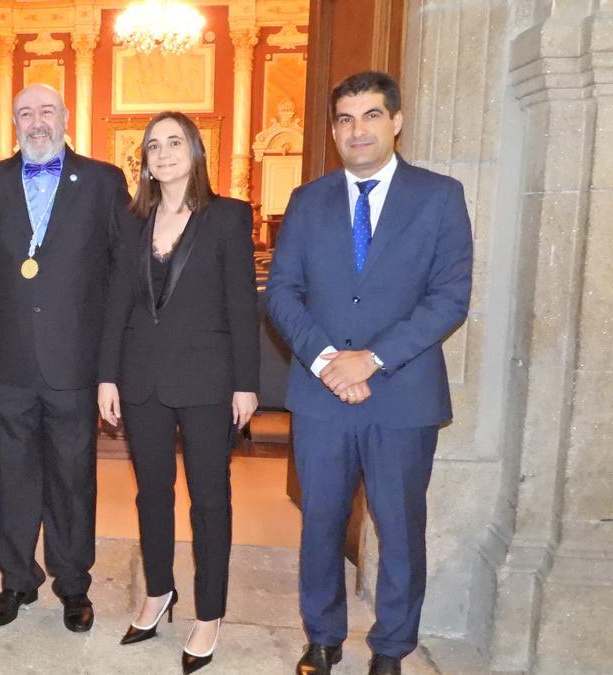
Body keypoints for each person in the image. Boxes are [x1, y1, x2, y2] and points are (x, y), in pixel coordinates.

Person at [266, 71, 473, 675]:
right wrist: (330, 361)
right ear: (334, 131)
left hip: (402, 397)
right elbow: (282, 293)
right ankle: (323, 638)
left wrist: (372, 359)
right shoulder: (307, 201)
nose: (358, 130)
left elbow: (449, 296)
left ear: (396, 121)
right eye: (346, 119)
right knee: (321, 523)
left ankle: (390, 649)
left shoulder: (439, 196)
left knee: (401, 529)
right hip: (321, 397)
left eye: (371, 116)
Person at [0, 84, 130, 632]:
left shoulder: (104, 182)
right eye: (25, 113)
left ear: (65, 117)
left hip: (74, 363)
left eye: (46, 111)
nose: (36, 122)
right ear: (14, 122)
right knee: (12, 476)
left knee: (73, 478)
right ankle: (15, 581)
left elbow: (118, 273)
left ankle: (73, 585)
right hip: (8, 360)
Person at [97, 111, 259, 674]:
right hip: (141, 377)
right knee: (151, 495)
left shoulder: (228, 217)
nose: (163, 153)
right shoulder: (131, 222)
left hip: (209, 381)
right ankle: (159, 590)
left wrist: (246, 383)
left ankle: (209, 611)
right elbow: (117, 302)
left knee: (210, 501)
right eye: (153, 146)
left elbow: (243, 304)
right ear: (143, 159)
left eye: (174, 142)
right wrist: (107, 374)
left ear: (195, 151)